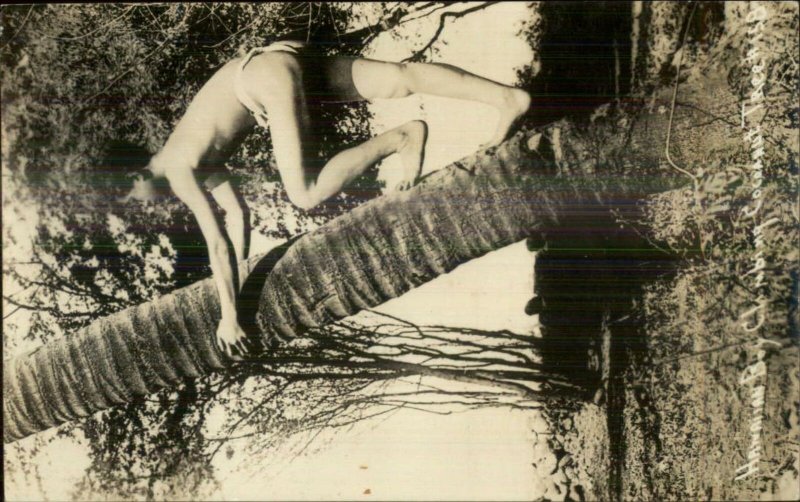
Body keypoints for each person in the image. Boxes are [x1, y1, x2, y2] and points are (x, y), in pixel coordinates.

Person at [120, 40, 531, 359]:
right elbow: (236, 216)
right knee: (401, 77)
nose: (143, 207)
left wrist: (229, 318)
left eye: (133, 198)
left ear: (136, 175)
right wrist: (240, 289)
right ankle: (507, 98)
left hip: (262, 79)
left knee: (305, 193)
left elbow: (216, 242)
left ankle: (401, 137)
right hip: (275, 57)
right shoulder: (187, 154)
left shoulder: (175, 171)